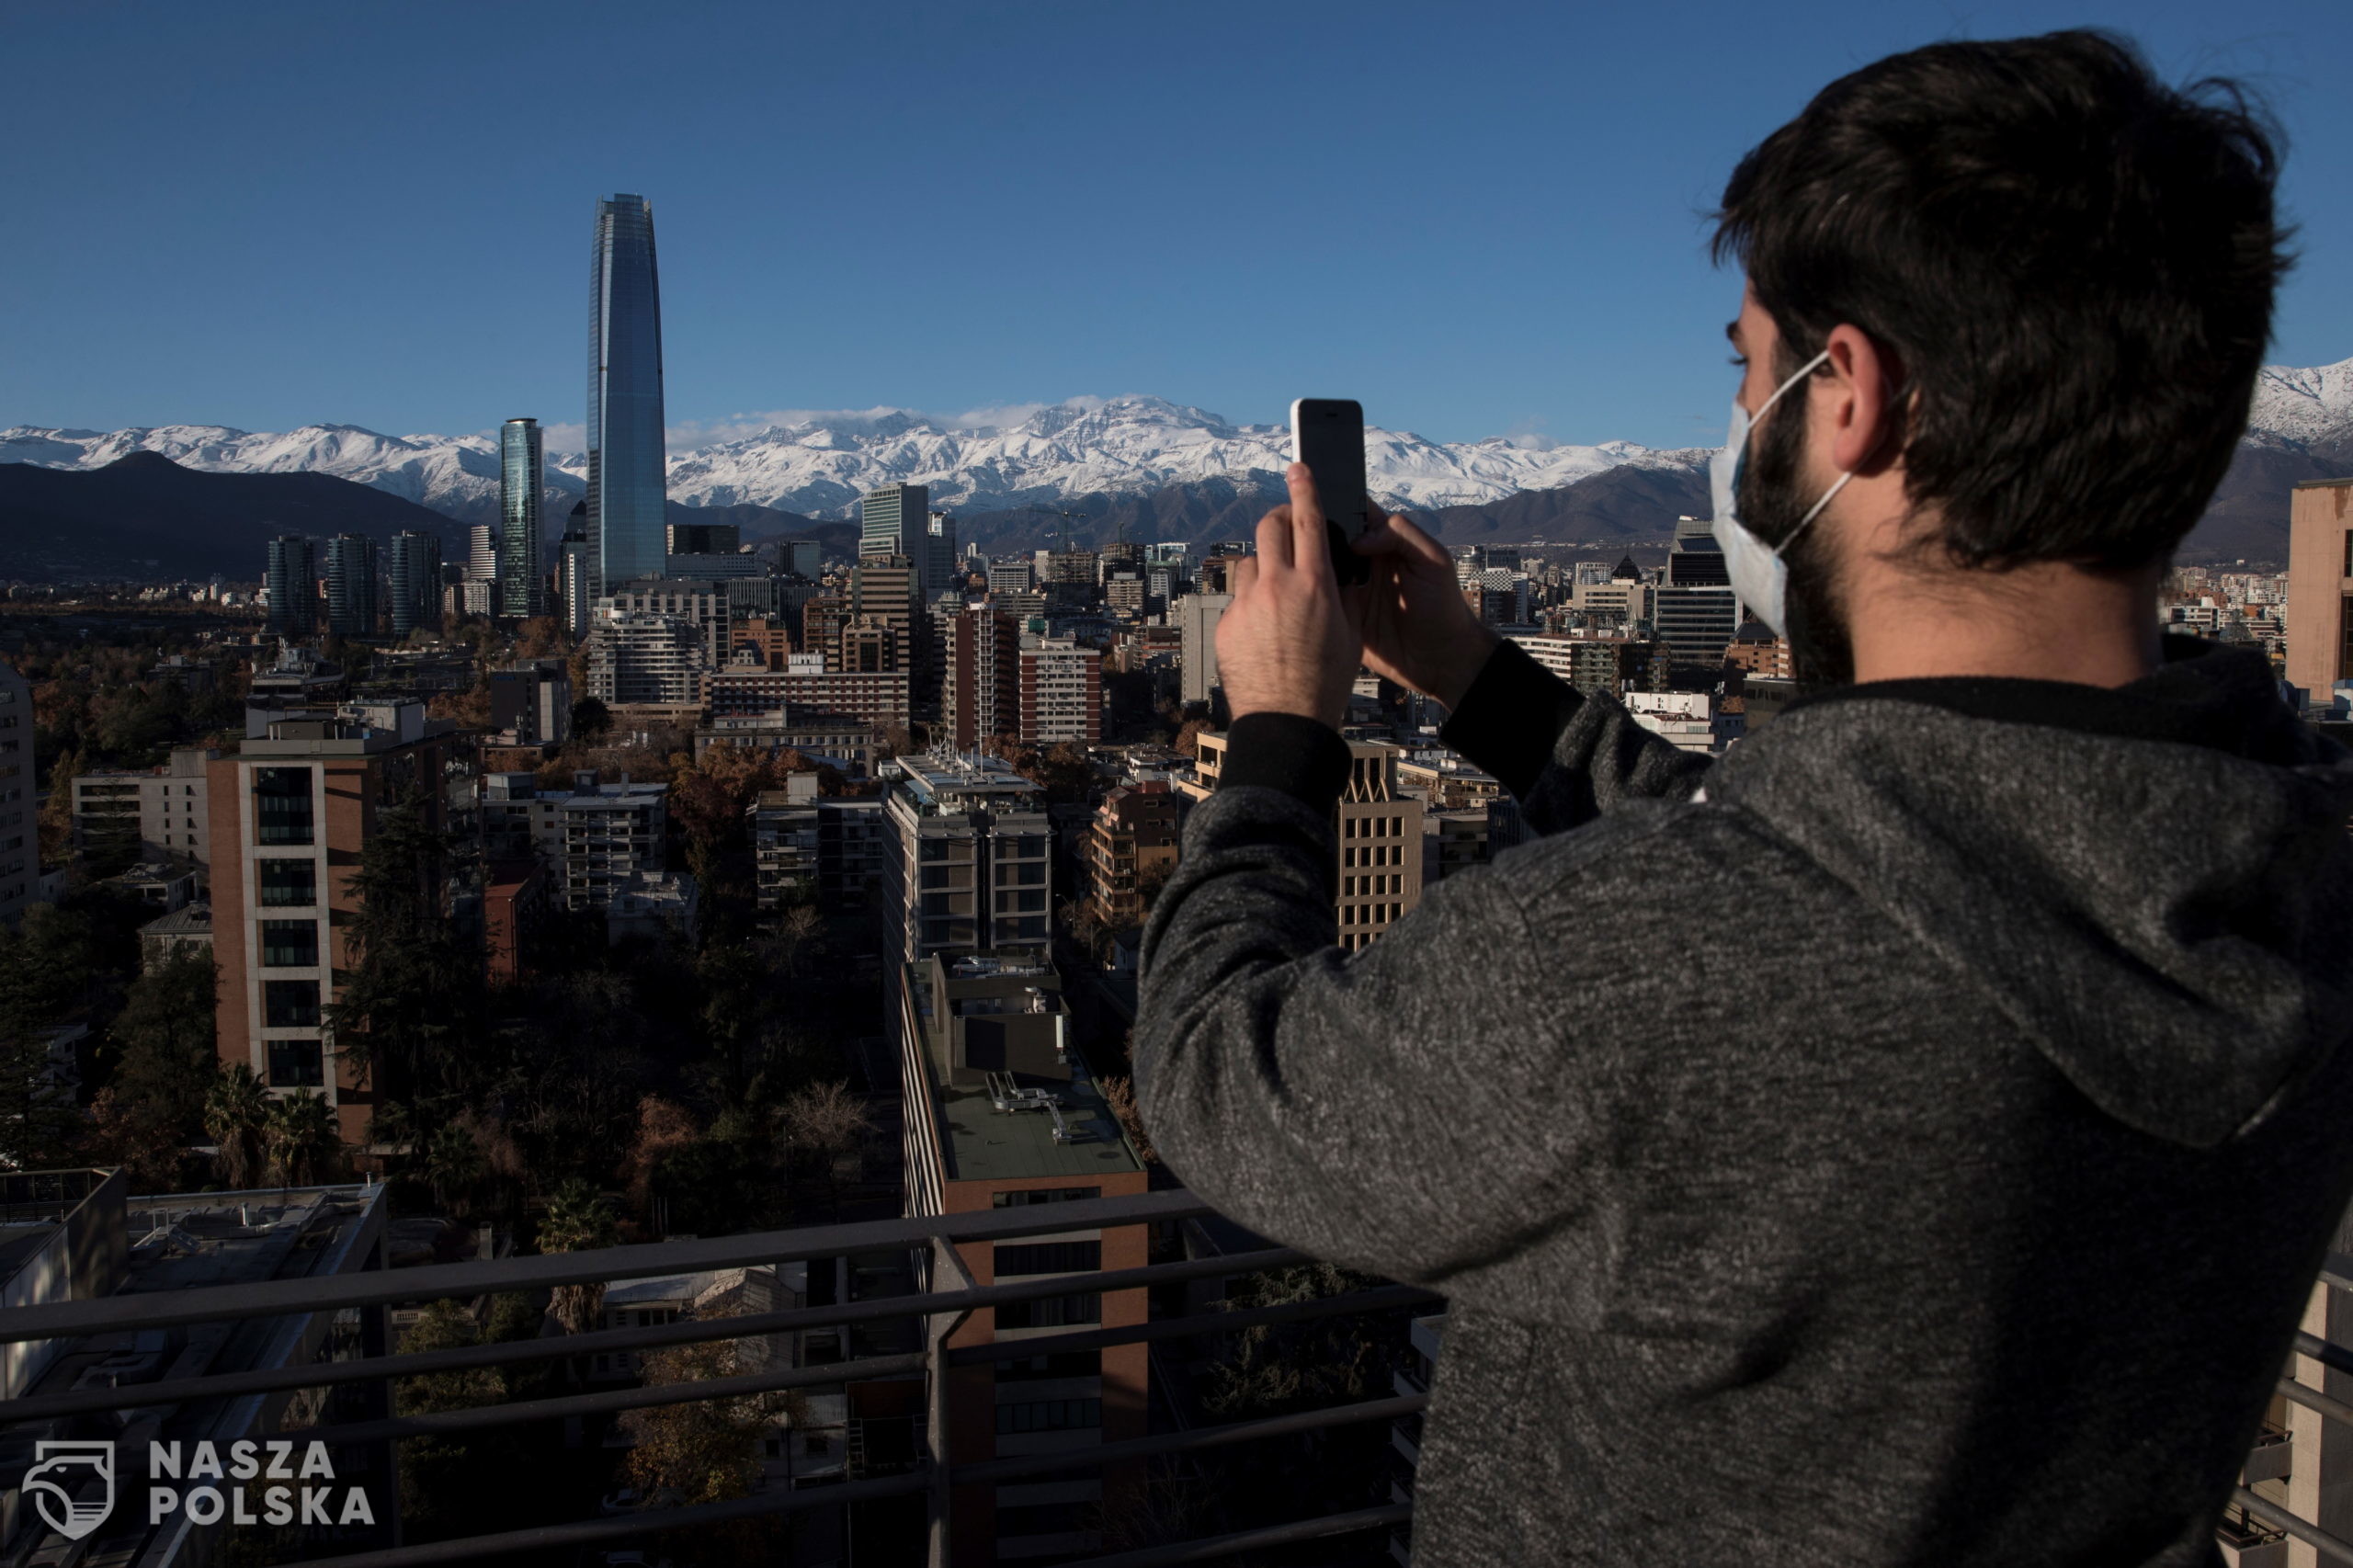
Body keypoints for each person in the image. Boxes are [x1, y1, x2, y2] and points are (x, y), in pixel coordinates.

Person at [1132, 30, 2353, 1566]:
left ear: (1854, 396)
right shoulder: (2301, 885)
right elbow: (1844, 861)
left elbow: (1215, 1074)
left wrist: (1277, 737)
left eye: (1747, 369)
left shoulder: (1634, 980)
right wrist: (1480, 680)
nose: (1741, 422)